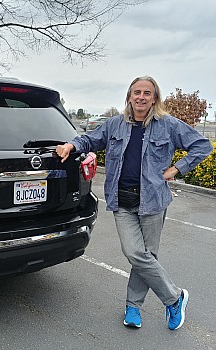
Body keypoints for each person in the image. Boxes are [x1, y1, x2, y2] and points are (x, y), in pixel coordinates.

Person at [56, 76, 213, 330]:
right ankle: (174, 298)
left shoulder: (168, 125)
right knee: (135, 253)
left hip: (153, 201)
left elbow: (202, 146)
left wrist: (176, 169)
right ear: (129, 96)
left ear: (154, 98)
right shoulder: (115, 125)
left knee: (147, 256)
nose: (141, 97)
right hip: (123, 200)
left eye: (147, 93)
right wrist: (71, 145)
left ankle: (133, 306)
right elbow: (90, 140)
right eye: (136, 92)